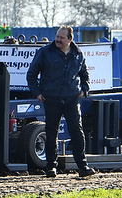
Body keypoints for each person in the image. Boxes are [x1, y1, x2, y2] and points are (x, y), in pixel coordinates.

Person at [26, 26, 95, 178]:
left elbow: (84, 73)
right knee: (51, 132)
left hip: (72, 98)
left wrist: (85, 89)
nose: (57, 40)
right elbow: (32, 74)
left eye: (61, 38)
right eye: (57, 36)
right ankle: (51, 167)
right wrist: (37, 93)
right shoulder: (45, 52)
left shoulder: (78, 53)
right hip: (51, 98)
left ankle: (83, 166)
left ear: (70, 40)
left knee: (77, 131)